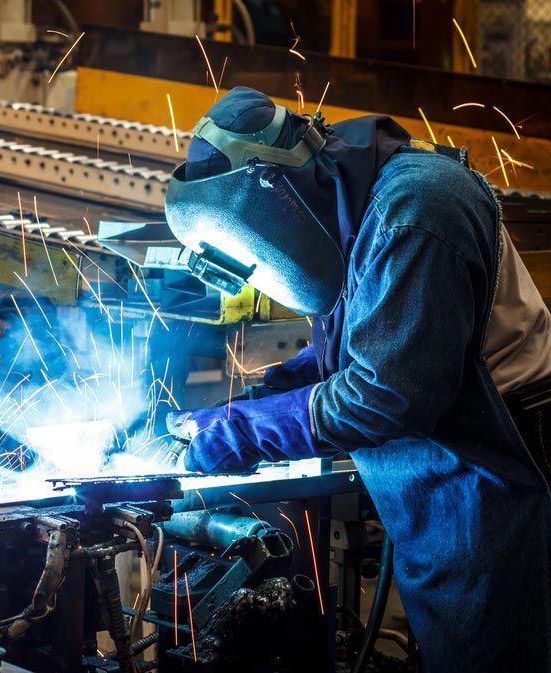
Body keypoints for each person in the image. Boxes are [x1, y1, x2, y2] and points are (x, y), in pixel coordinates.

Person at [165, 86, 551, 672]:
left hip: (501, 479)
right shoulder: (346, 198)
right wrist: (263, 398)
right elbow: (365, 339)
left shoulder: (414, 212)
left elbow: (384, 394)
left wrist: (246, 429)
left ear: (276, 193)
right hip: (450, 481)